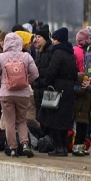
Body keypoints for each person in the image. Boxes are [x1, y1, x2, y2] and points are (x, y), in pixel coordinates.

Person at [0, 32, 40, 157]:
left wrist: (3, 82)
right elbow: (36, 74)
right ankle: (24, 144)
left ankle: (13, 148)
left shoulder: (1, 57)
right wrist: (26, 82)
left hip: (6, 94)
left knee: (9, 122)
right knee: (21, 121)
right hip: (23, 94)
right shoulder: (26, 56)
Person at [35, 27, 78, 157]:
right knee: (65, 121)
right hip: (69, 90)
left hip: (57, 90)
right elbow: (75, 74)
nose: (52, 41)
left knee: (51, 119)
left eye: (54, 38)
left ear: (59, 39)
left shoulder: (57, 53)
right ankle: (64, 146)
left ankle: (58, 147)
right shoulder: (70, 53)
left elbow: (51, 72)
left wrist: (43, 82)